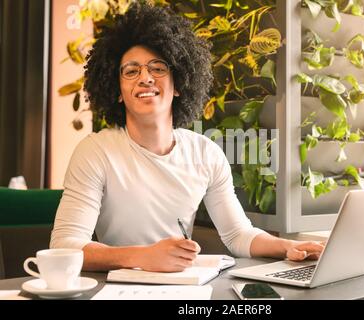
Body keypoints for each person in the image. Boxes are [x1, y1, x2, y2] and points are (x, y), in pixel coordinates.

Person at [50, 3, 325, 272]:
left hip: (185, 288)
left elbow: (238, 234)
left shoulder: (206, 153)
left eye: (158, 68)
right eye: (131, 71)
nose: (145, 78)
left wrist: (287, 246)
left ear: (179, 84)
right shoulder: (96, 151)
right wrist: (143, 257)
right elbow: (65, 246)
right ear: (118, 91)